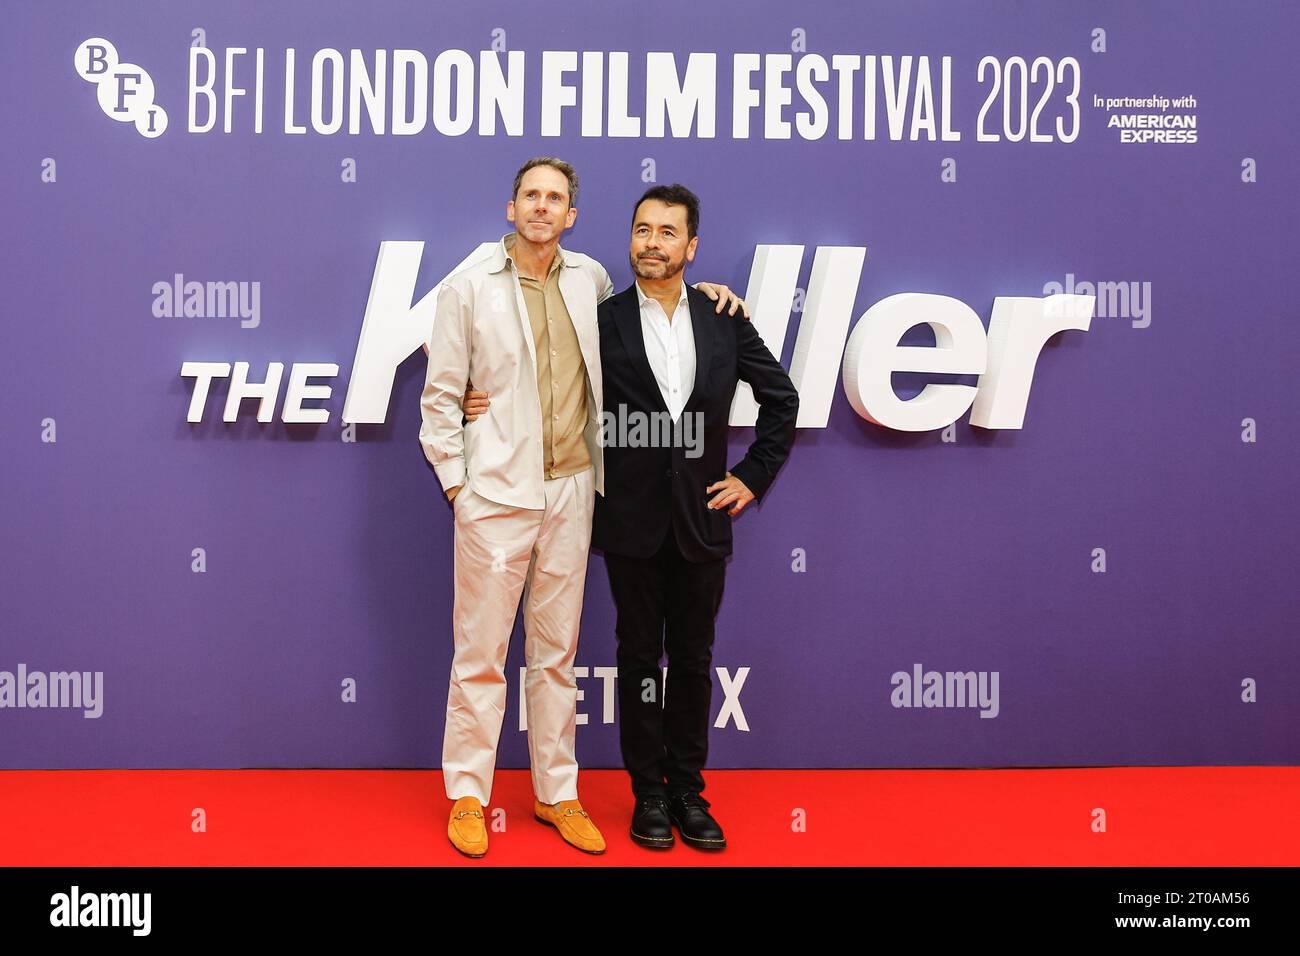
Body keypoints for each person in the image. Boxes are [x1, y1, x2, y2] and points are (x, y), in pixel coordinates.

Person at [419, 158, 744, 859]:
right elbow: (442, 397)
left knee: (556, 657)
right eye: (531, 196)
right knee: (479, 654)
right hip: (495, 497)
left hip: (573, 493)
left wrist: (706, 293)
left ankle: (555, 793)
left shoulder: (591, 280)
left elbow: (654, 309)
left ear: (571, 215)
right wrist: (458, 484)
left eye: (556, 198)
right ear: (512, 209)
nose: (542, 207)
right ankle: (468, 796)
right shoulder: (467, 289)